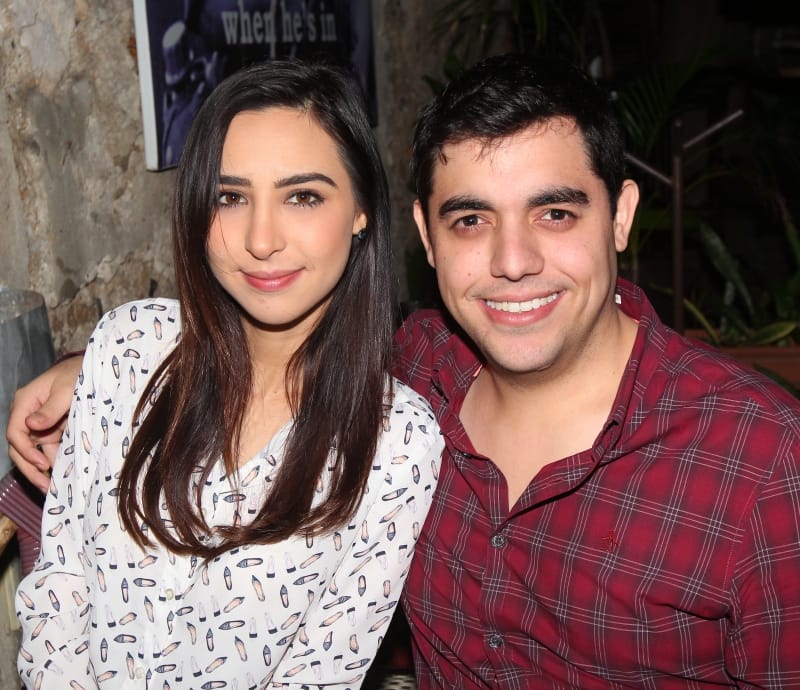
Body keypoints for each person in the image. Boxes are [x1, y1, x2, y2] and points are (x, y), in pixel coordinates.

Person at [9, 53, 800, 688]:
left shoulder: (762, 461)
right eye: (471, 219)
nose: (513, 261)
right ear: (425, 234)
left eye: (555, 213)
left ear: (621, 215)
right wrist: (90, 365)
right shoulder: (422, 365)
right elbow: (276, 350)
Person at [13, 59, 442, 690]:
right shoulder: (128, 349)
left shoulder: (398, 444)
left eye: (302, 196)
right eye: (231, 197)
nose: (260, 239)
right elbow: (60, 587)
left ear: (362, 211)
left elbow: (320, 674)